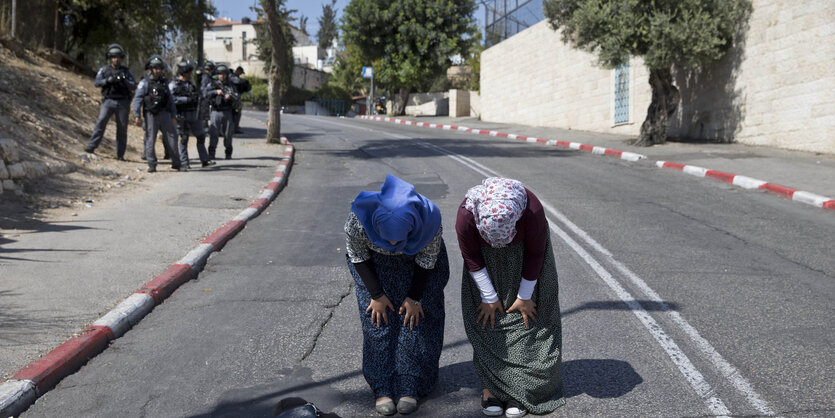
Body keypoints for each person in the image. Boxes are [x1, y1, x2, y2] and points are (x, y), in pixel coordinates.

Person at [455, 177, 564, 418]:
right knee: (489, 319)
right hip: (485, 265)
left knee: (527, 320)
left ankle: (520, 389)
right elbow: (471, 255)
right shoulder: (466, 215)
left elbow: (536, 253)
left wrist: (525, 296)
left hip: (525, 260)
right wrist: (488, 295)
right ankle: (490, 388)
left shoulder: (532, 210)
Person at [345, 174, 449, 416]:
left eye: (399, 238)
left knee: (414, 322)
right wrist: (376, 295)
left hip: (420, 266)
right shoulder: (358, 220)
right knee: (377, 323)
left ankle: (409, 387)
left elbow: (427, 259)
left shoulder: (429, 220)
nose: (393, 242)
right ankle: (382, 388)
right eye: (386, 236)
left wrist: (414, 299)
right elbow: (357, 256)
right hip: (373, 267)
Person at [85, 44, 136, 160]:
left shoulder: (126, 71)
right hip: (108, 100)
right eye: (114, 57)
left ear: (121, 58)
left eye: (118, 57)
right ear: (110, 57)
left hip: (123, 102)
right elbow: (97, 83)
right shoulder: (104, 70)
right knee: (101, 122)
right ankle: (92, 146)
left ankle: (120, 155)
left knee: (122, 128)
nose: (116, 59)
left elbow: (133, 86)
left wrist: (125, 80)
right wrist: (108, 80)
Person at [133, 55, 181, 172]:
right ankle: (152, 164)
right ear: (151, 69)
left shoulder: (165, 83)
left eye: (159, 68)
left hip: (165, 114)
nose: (157, 70)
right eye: (155, 68)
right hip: (151, 115)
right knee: (151, 139)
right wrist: (137, 115)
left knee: (172, 137)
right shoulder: (145, 83)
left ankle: (176, 162)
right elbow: (137, 99)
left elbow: (170, 100)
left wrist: (173, 115)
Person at [170, 60, 215, 169]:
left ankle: (204, 160)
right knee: (184, 138)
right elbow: (171, 100)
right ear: (183, 72)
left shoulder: (191, 84)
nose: (190, 74)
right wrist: (186, 99)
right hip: (182, 115)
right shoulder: (173, 85)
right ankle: (185, 162)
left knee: (200, 137)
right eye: (188, 72)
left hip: (193, 114)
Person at [204, 64, 240, 160]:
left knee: (228, 134)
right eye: (220, 74)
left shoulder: (231, 86)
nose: (222, 76)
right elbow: (205, 94)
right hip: (215, 112)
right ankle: (211, 153)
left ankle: (228, 153)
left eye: (224, 74)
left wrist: (230, 96)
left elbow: (237, 97)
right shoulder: (212, 84)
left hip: (227, 112)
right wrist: (216, 92)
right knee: (214, 133)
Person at [231, 66, 251, 134]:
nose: (240, 74)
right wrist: (244, 81)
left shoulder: (236, 77)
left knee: (237, 114)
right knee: (234, 114)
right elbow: (237, 81)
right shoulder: (231, 76)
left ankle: (235, 128)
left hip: (236, 98)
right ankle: (233, 128)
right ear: (238, 70)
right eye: (240, 72)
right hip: (232, 99)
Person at [197, 60, 215, 135]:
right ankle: (204, 130)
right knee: (204, 115)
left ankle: (205, 129)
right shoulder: (205, 77)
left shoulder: (206, 76)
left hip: (205, 98)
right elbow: (204, 88)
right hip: (204, 99)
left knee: (205, 115)